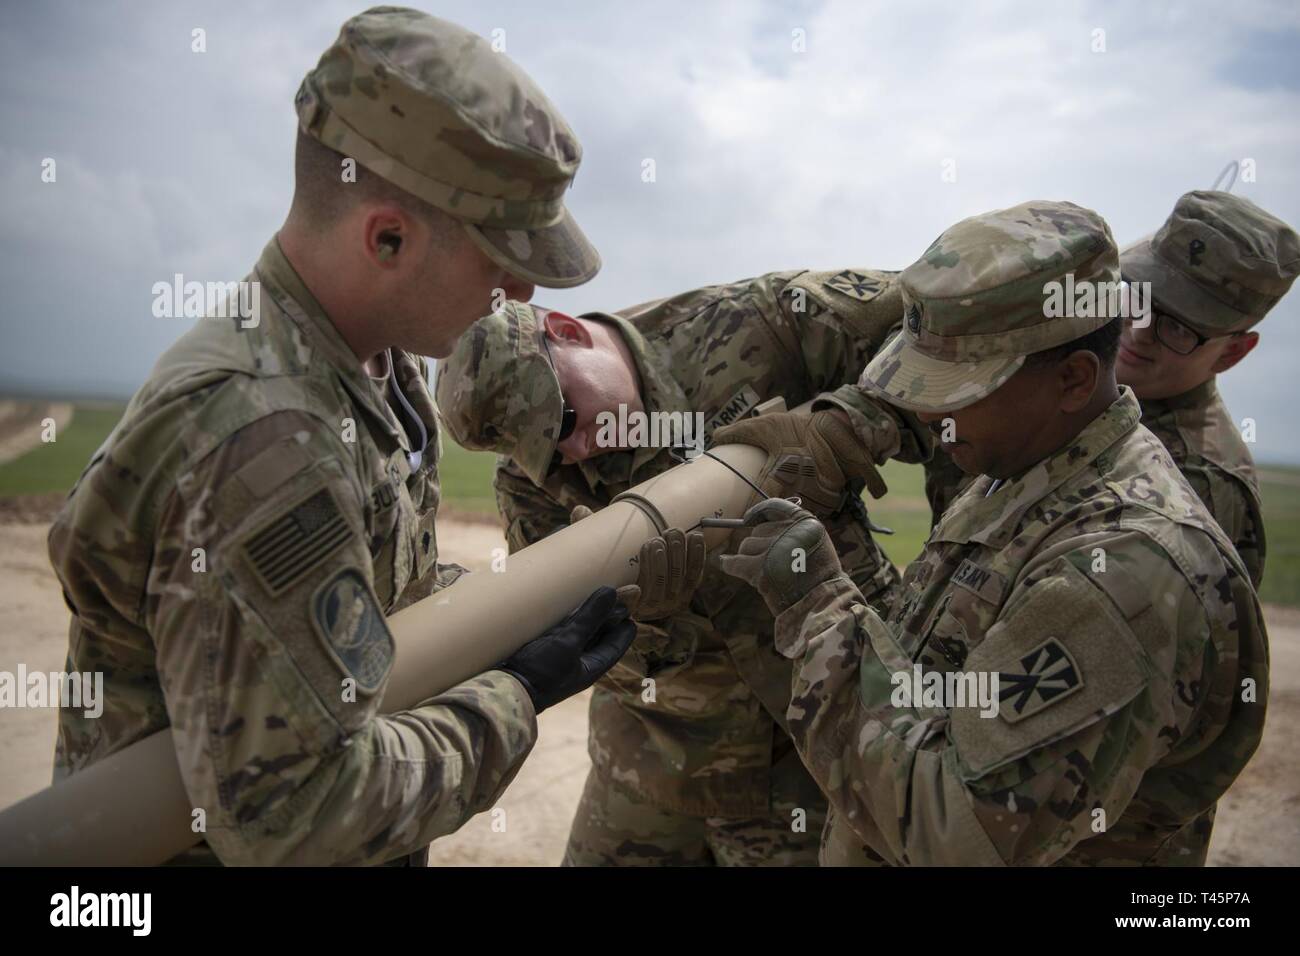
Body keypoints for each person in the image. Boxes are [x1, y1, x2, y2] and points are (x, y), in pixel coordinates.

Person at [46, 7, 633, 867]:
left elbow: (364, 612)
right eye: (499, 253)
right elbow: (299, 814)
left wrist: (507, 610)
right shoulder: (259, 437)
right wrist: (516, 692)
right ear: (386, 236)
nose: (516, 287)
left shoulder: (375, 370)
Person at [715, 201, 1268, 865]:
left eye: (959, 386)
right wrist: (826, 547)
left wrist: (818, 609)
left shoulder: (1124, 572)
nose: (927, 408)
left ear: (1072, 379)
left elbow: (957, 834)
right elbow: (928, 669)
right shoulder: (1019, 467)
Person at [436, 263, 948, 864]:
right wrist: (641, 625)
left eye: (566, 419)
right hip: (655, 759)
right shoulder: (536, 485)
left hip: (815, 743)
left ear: (568, 332)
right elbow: (569, 644)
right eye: (548, 450)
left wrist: (845, 425)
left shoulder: (764, 323)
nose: (576, 452)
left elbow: (952, 340)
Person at [1117, 190, 1299, 588]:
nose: (1140, 330)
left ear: (1232, 353)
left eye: (1180, 326)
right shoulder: (1102, 397)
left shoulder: (1198, 484)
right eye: (1140, 296)